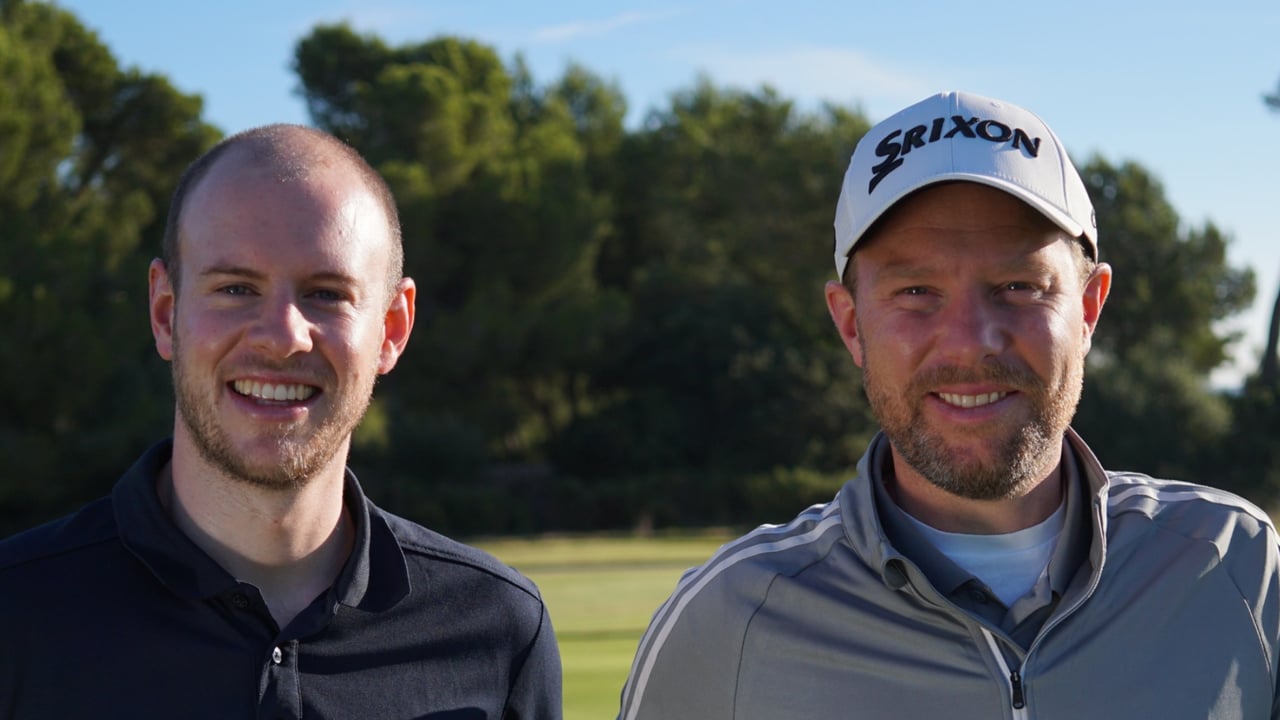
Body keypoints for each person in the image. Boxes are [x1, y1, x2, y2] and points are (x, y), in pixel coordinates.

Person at [617, 91, 1280, 719]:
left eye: (1019, 285)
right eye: (915, 292)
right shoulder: (730, 619)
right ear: (850, 325)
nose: (970, 341)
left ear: (1087, 309)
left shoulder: (1238, 568)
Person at [0, 124, 562, 719]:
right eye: (237, 287)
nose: (284, 337)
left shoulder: (499, 631)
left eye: (327, 294)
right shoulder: (15, 618)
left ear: (392, 329)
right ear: (166, 313)